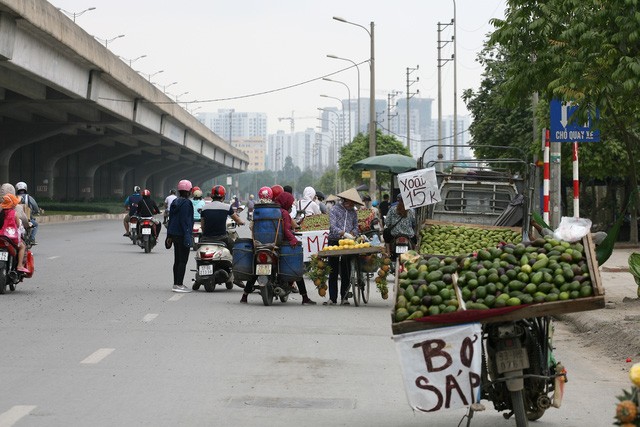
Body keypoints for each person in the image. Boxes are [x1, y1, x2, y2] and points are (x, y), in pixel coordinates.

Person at [240, 191, 315, 305]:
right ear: (286, 203)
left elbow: (252, 226)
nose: (290, 206)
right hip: (277, 244)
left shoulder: (264, 211)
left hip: (260, 244)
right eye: (290, 203)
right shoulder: (283, 212)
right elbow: (286, 230)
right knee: (296, 268)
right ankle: (305, 298)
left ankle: (244, 296)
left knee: (256, 269)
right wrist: (293, 240)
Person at [325, 188, 363, 306]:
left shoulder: (353, 212)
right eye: (348, 201)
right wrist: (342, 233)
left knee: (346, 269)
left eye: (352, 202)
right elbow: (333, 226)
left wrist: (352, 233)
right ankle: (332, 298)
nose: (350, 204)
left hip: (348, 242)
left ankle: (345, 297)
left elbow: (356, 226)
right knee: (333, 270)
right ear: (344, 200)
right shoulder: (335, 210)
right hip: (334, 240)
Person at [166, 180, 195, 293]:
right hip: (183, 234)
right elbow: (185, 221)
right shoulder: (187, 203)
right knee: (183, 261)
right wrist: (188, 237)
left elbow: (171, 219)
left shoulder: (175, 202)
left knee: (177, 260)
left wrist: (169, 235)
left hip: (174, 234)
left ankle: (176, 283)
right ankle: (179, 284)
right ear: (189, 191)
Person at [200, 185, 244, 250]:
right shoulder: (227, 207)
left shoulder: (204, 208)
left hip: (206, 238)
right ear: (223, 196)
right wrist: (242, 222)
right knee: (235, 249)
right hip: (222, 238)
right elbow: (238, 220)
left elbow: (202, 226)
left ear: (212, 196)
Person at [0, 194, 28, 273]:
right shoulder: (14, 213)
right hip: (11, 238)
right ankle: (19, 265)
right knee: (22, 247)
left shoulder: (1, 212)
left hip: (1, 237)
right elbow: (18, 225)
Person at [384, 194, 417, 259]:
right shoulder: (411, 210)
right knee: (415, 241)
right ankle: (414, 255)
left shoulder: (392, 209)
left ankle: (388, 253)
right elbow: (414, 223)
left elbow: (387, 222)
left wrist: (391, 225)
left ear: (398, 200)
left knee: (386, 233)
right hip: (409, 234)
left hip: (395, 234)